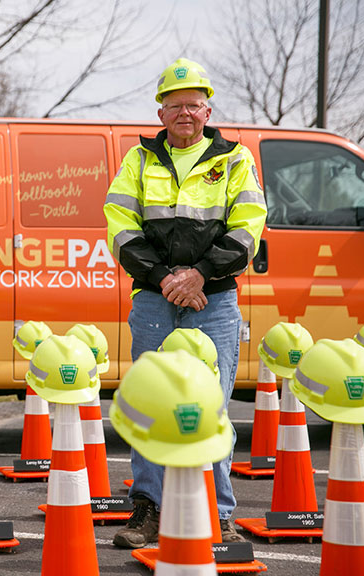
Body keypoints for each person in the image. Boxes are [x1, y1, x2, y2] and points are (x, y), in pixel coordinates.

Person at [103, 58, 267, 549]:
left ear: (208, 109)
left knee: (211, 406)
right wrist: (165, 277)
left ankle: (219, 515)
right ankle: (147, 511)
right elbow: (119, 225)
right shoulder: (139, 160)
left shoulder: (236, 160)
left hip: (212, 300)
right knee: (153, 405)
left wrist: (198, 274)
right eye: (175, 105)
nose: (185, 113)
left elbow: (249, 226)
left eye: (193, 105)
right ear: (160, 113)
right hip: (154, 299)